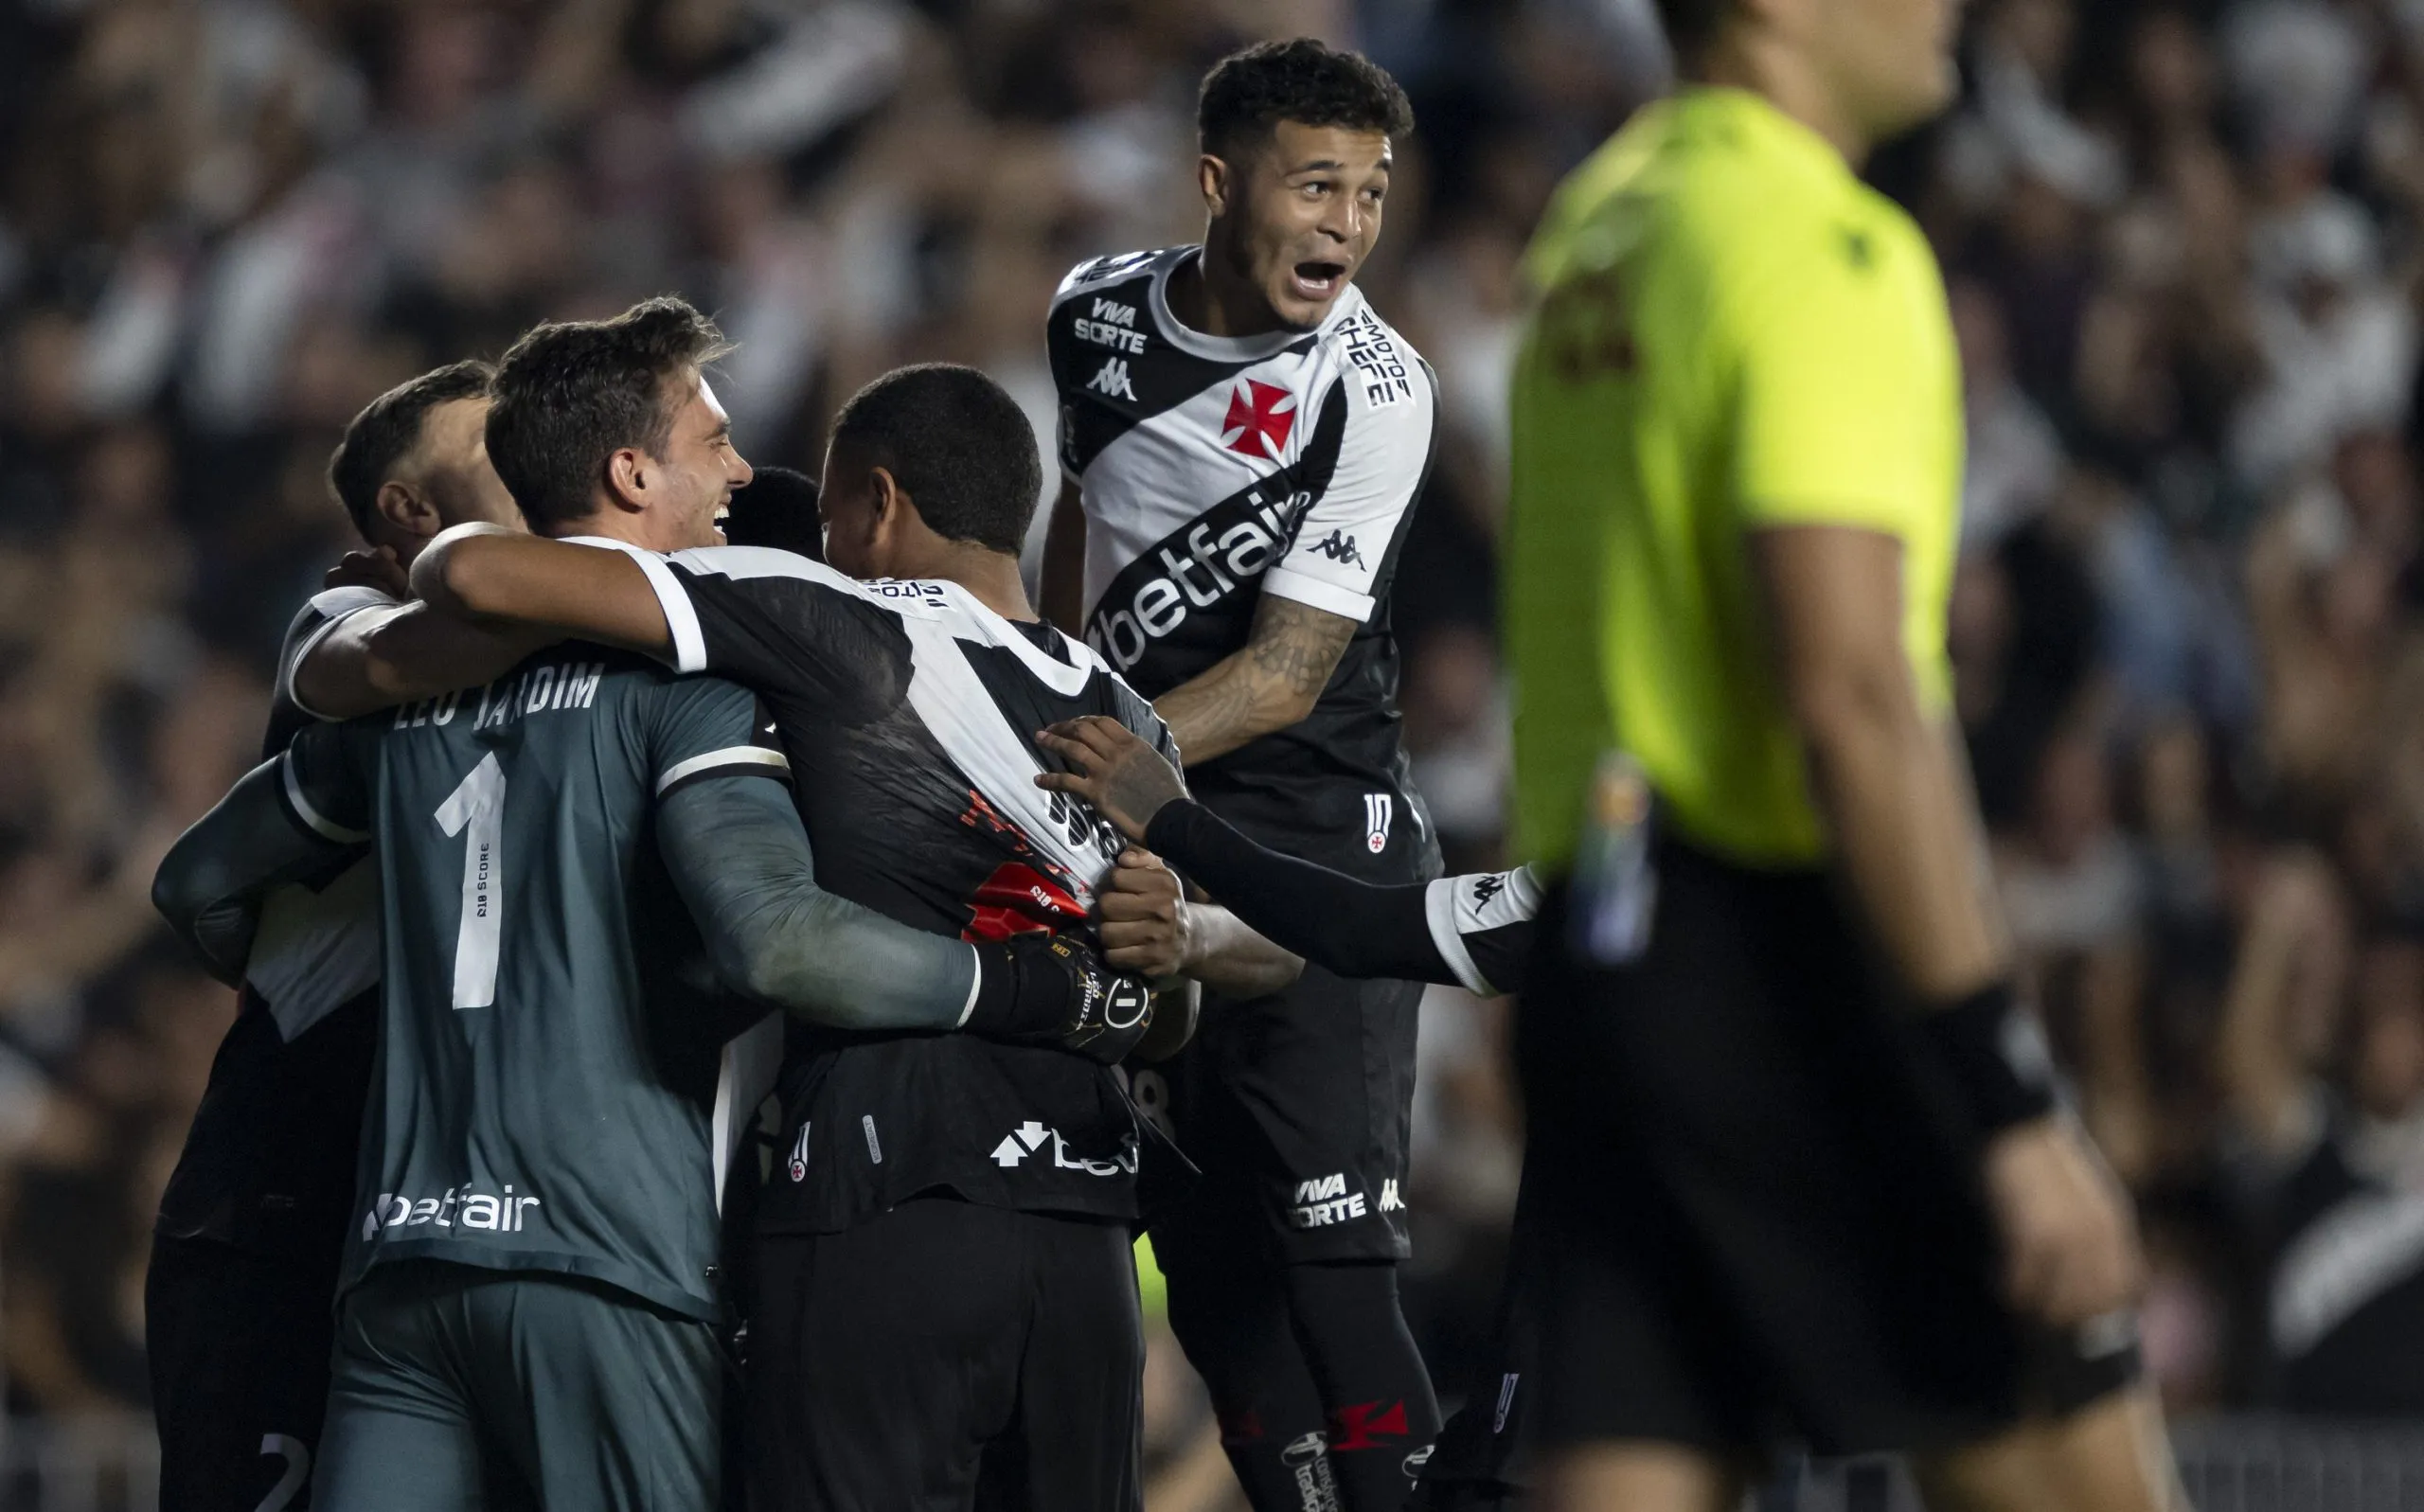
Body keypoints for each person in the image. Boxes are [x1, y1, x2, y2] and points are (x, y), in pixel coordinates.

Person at [153, 304, 1144, 1512]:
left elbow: (195, 884)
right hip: (603, 1252)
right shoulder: (688, 693)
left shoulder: (398, 690)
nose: (739, 469)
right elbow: (777, 938)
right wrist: (1039, 985)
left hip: (400, 1258)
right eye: (714, 441)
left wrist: (340, 980)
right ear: (632, 472)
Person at [1500, 1, 2187, 1508]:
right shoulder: (1820, 247)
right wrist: (2005, 1099)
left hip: (1597, 942)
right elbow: (1854, 694)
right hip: (1782, 951)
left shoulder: (1600, 230)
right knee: (2077, 1454)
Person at [409, 359, 1203, 1512]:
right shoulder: (1133, 721)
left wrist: (364, 632)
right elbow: (1166, 1014)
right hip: (1084, 1251)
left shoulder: (835, 617)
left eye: (828, 509)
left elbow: (476, 568)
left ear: (876, 504)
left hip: (880, 1211)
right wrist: (1169, 954)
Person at [1039, 38, 1444, 1508]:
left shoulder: (1380, 388)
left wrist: (1086, 748)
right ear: (1220, 183)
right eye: (1317, 184)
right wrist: (1058, 666)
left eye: (1373, 192)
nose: (1347, 224)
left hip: (1322, 846)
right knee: (1211, 1289)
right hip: (1149, 828)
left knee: (1333, 1265)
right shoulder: (1090, 317)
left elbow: (1286, 674)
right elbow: (1083, 519)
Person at [144, 359, 523, 1511]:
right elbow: (196, 890)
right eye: (490, 444)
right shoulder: (349, 614)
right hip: (281, 1191)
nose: (526, 455)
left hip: (427, 1198)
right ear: (408, 511)